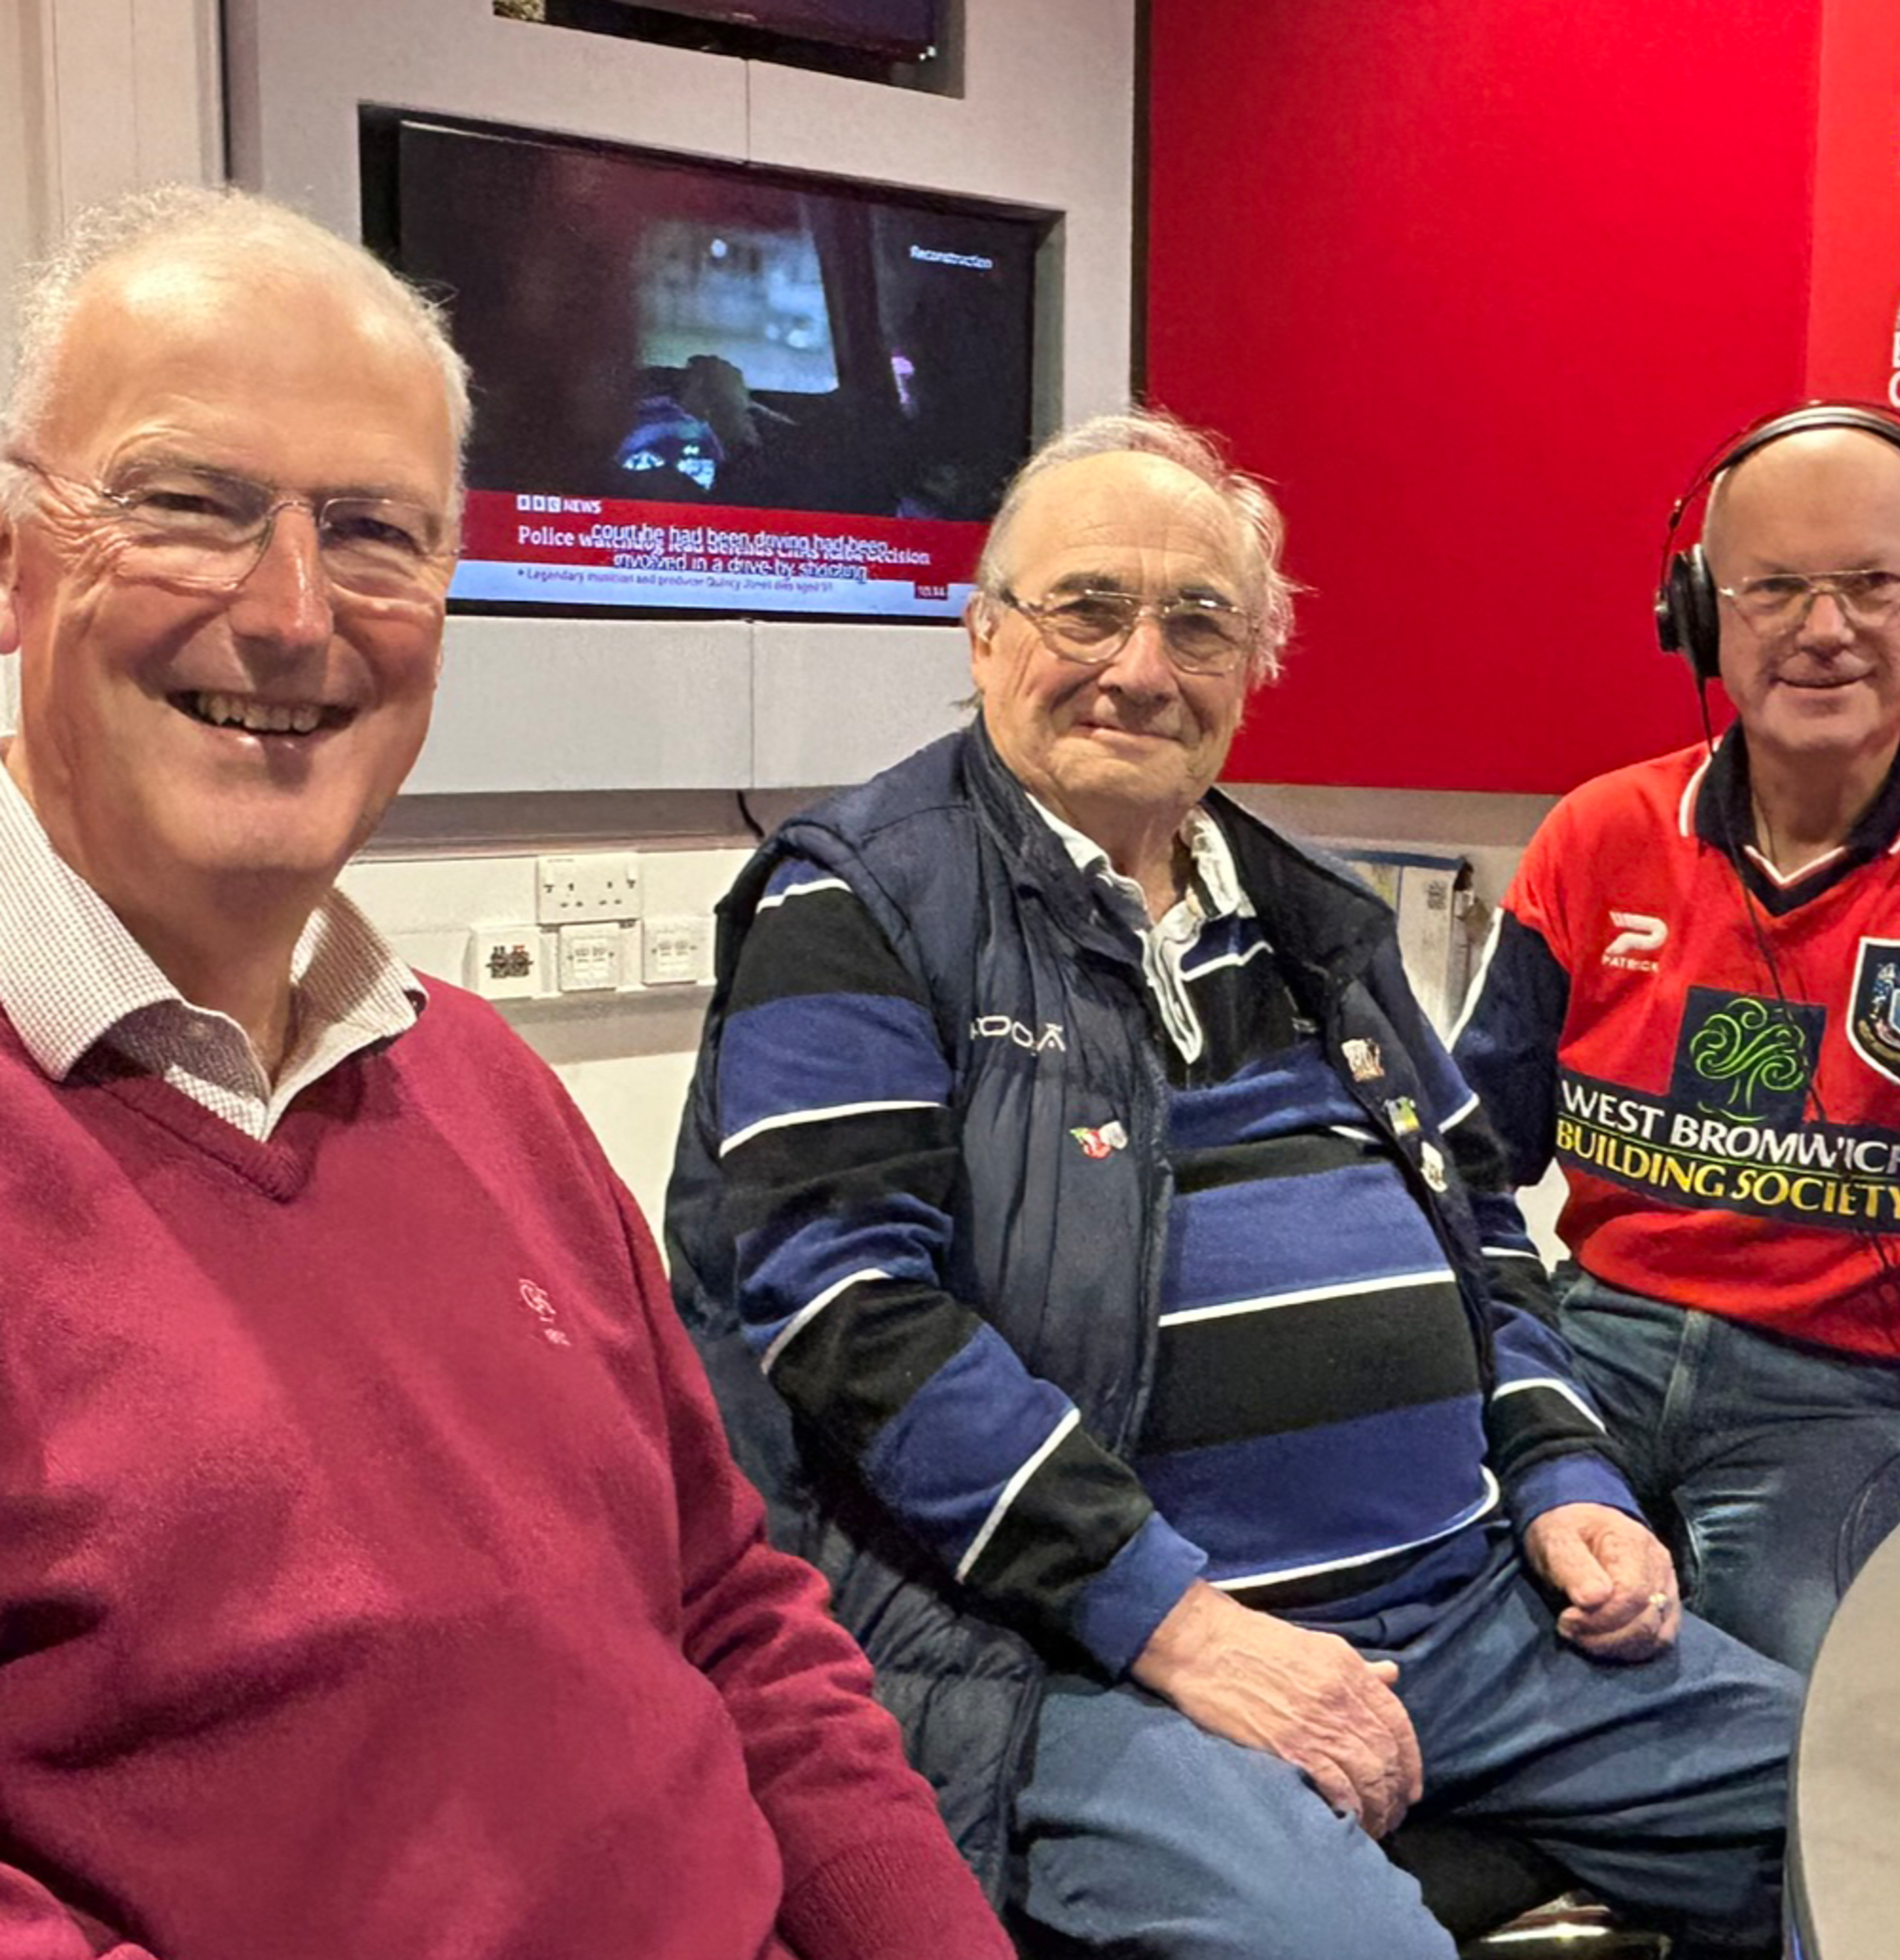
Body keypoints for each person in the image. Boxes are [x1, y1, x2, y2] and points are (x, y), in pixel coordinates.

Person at [0, 183, 1012, 1960]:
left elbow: (732, 1614)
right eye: (190, 507)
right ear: (14, 564)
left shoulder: (478, 1083)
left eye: (374, 533)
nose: (293, 613)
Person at [666, 407, 1798, 1960]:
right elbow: (850, 1311)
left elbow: (1479, 1230)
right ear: (985, 637)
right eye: (1087, 608)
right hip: (1075, 1652)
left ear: (1255, 666)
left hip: (1471, 1608)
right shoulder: (862, 904)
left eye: (1198, 621)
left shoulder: (1310, 915)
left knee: (1880, 1820)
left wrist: (1564, 1475)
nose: (1141, 666)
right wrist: (1174, 1621)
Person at [1452, 403, 1900, 1674]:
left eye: (1872, 585)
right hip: (1598, 1339)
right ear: (1697, 611)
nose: (1825, 628)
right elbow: (1465, 1162)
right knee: (1445, 1636)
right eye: (1775, 587)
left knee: (1812, 1731)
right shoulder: (1598, 836)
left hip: (1859, 1391)